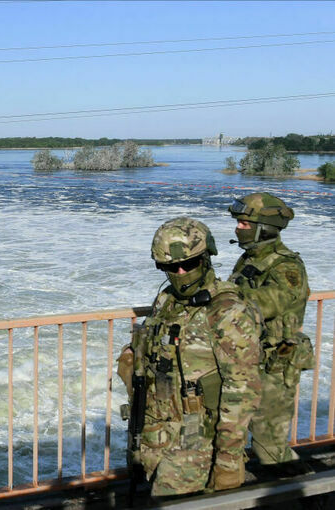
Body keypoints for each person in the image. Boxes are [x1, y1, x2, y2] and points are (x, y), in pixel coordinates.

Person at [118, 216, 262, 496]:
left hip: (196, 442)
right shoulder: (167, 300)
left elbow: (242, 392)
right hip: (156, 432)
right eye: (171, 267)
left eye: (190, 264)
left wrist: (228, 461)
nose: (181, 272)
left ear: (207, 257)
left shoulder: (227, 311)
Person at [227, 192, 314, 474]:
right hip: (247, 362)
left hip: (275, 366)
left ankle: (305, 494)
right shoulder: (249, 259)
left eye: (244, 224)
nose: (238, 228)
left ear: (264, 228)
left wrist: (223, 297)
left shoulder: (286, 266)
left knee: (269, 446)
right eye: (238, 223)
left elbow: (269, 302)